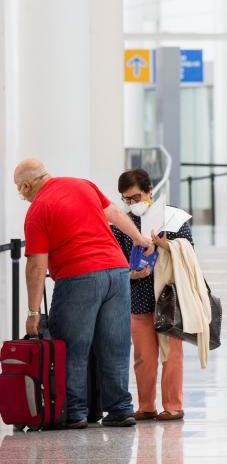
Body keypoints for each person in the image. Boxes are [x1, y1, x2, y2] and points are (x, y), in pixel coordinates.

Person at [16, 159, 154, 429]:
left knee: (72, 348)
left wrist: (33, 313)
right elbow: (114, 213)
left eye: (19, 191)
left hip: (79, 277)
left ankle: (74, 412)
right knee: (115, 345)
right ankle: (120, 410)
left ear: (26, 186)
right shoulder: (83, 185)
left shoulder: (38, 210)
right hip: (117, 272)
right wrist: (139, 238)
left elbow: (36, 266)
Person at [110, 169, 194, 422]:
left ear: (149, 192)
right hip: (138, 298)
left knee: (171, 354)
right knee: (143, 357)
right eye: (126, 199)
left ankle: (173, 405)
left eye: (136, 197)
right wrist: (131, 273)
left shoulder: (173, 217)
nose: (133, 204)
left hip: (167, 297)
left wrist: (164, 244)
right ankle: (146, 405)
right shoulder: (122, 224)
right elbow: (115, 260)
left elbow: (189, 251)